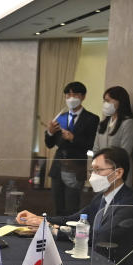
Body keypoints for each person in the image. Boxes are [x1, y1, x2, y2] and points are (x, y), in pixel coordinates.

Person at [16, 147, 133, 265]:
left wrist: (53, 229)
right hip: (97, 260)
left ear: (118, 173)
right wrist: (41, 219)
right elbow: (75, 219)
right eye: (92, 170)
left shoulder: (129, 203)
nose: (93, 176)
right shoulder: (102, 197)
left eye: (98, 170)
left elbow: (100, 237)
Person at [44, 81, 98, 216]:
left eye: (75, 94)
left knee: (72, 205)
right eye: (68, 94)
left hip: (75, 166)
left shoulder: (91, 119)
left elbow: (92, 144)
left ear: (83, 97)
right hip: (57, 166)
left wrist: (73, 138)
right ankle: (56, 232)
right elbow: (49, 144)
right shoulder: (60, 118)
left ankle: (69, 233)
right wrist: (50, 132)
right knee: (57, 204)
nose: (71, 97)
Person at [92, 86, 133, 160]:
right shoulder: (102, 124)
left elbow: (125, 153)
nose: (105, 104)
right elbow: (96, 149)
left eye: (108, 101)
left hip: (118, 168)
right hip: (101, 168)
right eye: (104, 101)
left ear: (119, 101)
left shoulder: (128, 123)